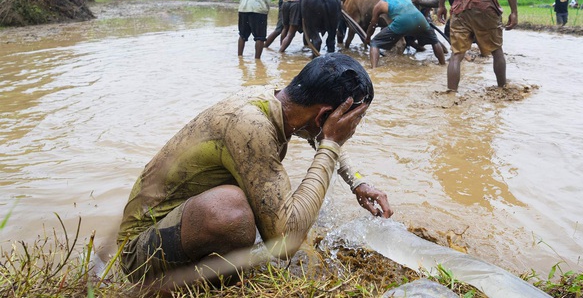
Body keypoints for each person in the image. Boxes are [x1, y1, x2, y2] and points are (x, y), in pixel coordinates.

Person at [117, 53, 393, 286]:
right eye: (351, 123)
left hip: (178, 225)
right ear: (323, 115)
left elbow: (317, 134)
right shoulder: (252, 127)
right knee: (232, 210)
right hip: (139, 254)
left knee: (253, 205)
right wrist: (332, 142)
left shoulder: (277, 101)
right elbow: (286, 242)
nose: (350, 130)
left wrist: (357, 182)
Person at [364, 0, 446, 68]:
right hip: (420, 20)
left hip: (401, 23)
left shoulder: (380, 4)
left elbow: (373, 24)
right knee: (434, 41)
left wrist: (368, 37)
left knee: (375, 43)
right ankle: (443, 65)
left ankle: (374, 69)